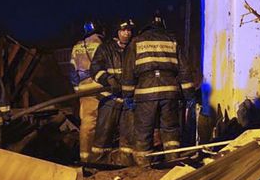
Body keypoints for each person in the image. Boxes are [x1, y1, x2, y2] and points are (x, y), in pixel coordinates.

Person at [121, 12, 194, 165]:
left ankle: (144, 167)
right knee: (170, 130)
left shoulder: (136, 42)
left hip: (145, 94)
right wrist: (189, 95)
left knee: (143, 131)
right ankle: (173, 163)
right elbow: (184, 70)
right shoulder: (173, 41)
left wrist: (127, 95)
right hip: (170, 92)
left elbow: (128, 71)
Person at [90, 18, 135, 166]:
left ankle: (125, 166)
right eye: (123, 30)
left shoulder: (134, 48)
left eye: (129, 30)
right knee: (103, 134)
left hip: (129, 99)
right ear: (117, 32)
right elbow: (95, 68)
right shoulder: (105, 48)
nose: (127, 33)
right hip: (109, 99)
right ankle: (99, 166)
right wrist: (108, 80)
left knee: (128, 136)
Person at [69, 20, 104, 162]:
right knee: (102, 122)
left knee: (87, 123)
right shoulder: (101, 45)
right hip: (100, 87)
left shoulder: (77, 47)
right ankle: (97, 157)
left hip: (84, 89)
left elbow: (72, 70)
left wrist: (78, 89)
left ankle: (84, 157)